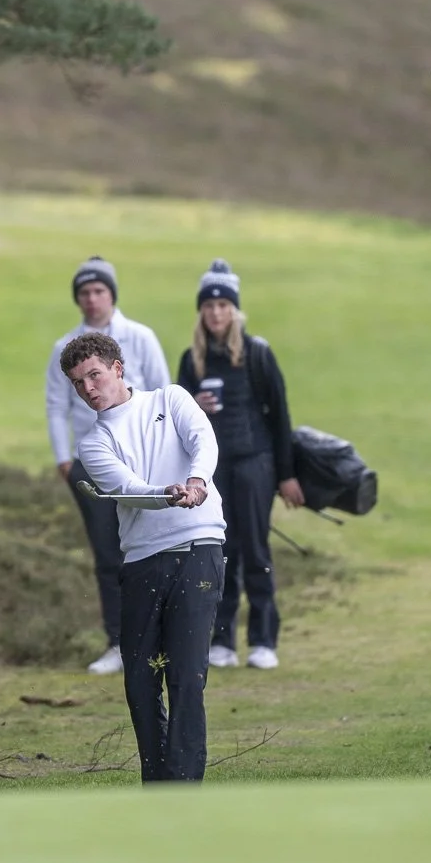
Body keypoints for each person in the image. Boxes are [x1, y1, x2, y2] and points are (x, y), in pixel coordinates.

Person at [65, 332, 224, 784]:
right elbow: (130, 490)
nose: (89, 388)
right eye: (79, 383)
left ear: (118, 367)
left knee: (186, 677)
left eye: (94, 375)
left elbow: (203, 442)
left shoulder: (170, 399)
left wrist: (196, 481)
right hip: (143, 560)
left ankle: (183, 786)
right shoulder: (93, 443)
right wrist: (169, 494)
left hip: (199, 548)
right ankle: (157, 783)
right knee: (140, 680)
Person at [46, 255, 172, 675]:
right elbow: (55, 404)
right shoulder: (63, 349)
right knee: (107, 553)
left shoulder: (141, 337)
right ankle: (118, 641)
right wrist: (64, 458)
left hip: (144, 459)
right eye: (84, 292)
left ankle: (162, 634)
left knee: (154, 545)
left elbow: (162, 389)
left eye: (99, 290)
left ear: (112, 294)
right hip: (90, 461)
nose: (92, 299)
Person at [175, 260, 303, 671]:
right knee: (218, 551)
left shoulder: (257, 354)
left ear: (234, 309)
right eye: (209, 306)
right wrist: (194, 405)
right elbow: (176, 419)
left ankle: (264, 639)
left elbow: (279, 416)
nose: (215, 313)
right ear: (201, 311)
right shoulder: (191, 360)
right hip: (211, 471)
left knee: (254, 549)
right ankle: (223, 639)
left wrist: (286, 474)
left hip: (255, 464)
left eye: (223, 305)